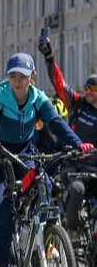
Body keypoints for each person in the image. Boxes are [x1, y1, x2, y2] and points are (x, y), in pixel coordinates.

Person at [0, 52, 88, 267]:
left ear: (32, 76)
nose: (17, 80)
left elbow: (57, 124)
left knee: (43, 183)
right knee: (3, 220)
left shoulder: (38, 99)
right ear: (8, 77)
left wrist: (78, 145)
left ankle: (38, 230)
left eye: (22, 76)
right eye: (13, 75)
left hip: (25, 157)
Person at [38, 36, 97, 231]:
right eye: (87, 87)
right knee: (77, 190)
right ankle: (73, 228)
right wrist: (49, 56)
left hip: (94, 169)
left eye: (93, 88)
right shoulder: (78, 104)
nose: (89, 91)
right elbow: (59, 84)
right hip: (73, 167)